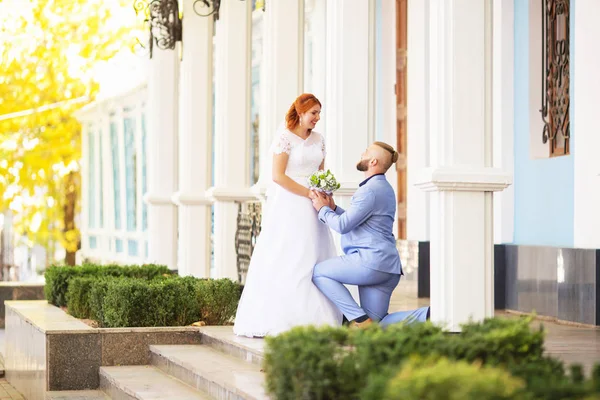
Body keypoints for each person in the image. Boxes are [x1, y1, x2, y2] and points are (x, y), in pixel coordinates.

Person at [233, 93, 342, 338]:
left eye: (319, 113)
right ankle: (287, 316)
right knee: (292, 255)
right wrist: (308, 193)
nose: (317, 118)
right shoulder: (285, 139)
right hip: (291, 203)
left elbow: (320, 172)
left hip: (314, 204)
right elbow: (278, 176)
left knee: (315, 253)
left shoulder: (319, 140)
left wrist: (323, 192)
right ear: (301, 113)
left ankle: (319, 315)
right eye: (313, 113)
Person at [311, 141, 430, 327]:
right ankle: (428, 315)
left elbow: (342, 226)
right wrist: (333, 208)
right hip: (388, 267)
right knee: (377, 323)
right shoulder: (383, 188)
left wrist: (323, 210)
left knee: (319, 273)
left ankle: (357, 320)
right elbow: (356, 222)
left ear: (373, 161)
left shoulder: (369, 191)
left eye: (366, 152)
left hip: (371, 262)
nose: (362, 153)